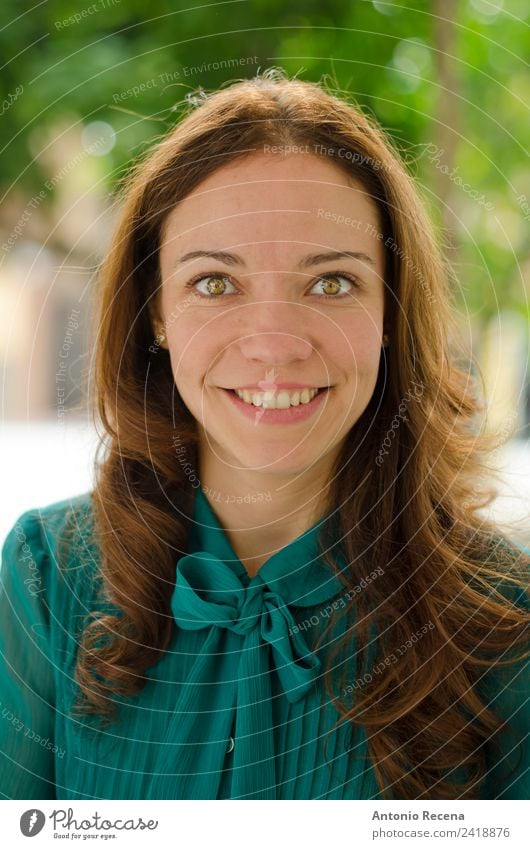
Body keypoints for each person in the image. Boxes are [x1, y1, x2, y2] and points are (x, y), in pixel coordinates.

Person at [1, 68, 528, 801]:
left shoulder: (506, 614)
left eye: (331, 282)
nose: (275, 343)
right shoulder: (45, 577)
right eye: (216, 282)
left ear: (389, 311)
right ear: (156, 311)